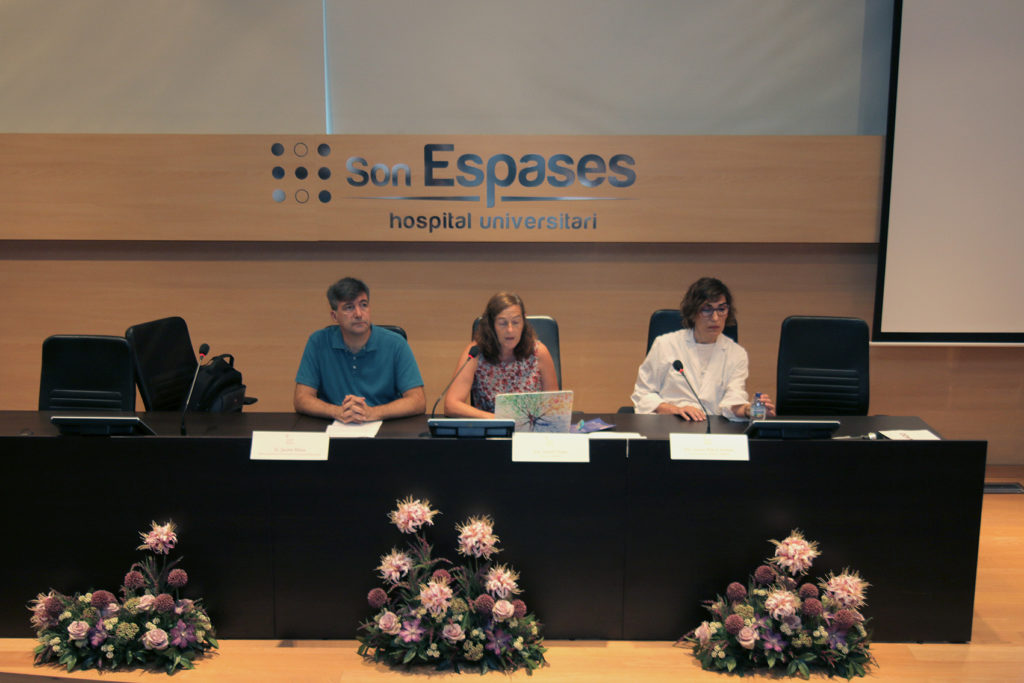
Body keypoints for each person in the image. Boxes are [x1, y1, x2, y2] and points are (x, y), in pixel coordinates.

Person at [631, 277, 775, 421]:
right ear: (693, 312)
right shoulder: (665, 344)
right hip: (671, 423)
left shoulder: (736, 354)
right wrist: (675, 410)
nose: (715, 318)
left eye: (721, 309)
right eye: (707, 309)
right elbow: (643, 394)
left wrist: (751, 410)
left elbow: (732, 401)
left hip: (713, 427)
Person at [294, 277, 425, 423]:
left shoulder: (396, 344)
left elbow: (417, 401)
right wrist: (337, 411)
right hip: (333, 426)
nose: (358, 314)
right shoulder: (318, 342)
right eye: (349, 307)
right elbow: (301, 399)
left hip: (384, 426)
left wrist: (373, 412)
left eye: (363, 305)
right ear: (334, 316)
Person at [443, 292, 559, 418]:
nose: (510, 329)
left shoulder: (539, 352)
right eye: (503, 323)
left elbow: (554, 408)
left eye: (516, 322)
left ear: (524, 322)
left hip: (530, 428)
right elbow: (451, 405)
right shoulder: (475, 353)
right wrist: (497, 420)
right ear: (491, 325)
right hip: (490, 426)